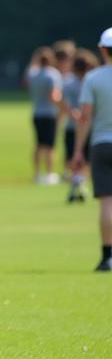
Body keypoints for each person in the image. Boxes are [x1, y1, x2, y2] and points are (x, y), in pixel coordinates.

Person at [72, 29, 112, 271]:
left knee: (107, 203)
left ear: (101, 49)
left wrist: (78, 150)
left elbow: (85, 116)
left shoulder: (93, 78)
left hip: (101, 144)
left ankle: (108, 256)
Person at [62, 50, 97, 203]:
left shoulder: (68, 82)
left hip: (72, 125)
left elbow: (63, 102)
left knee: (73, 158)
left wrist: (72, 113)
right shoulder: (92, 80)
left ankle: (76, 183)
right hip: (90, 126)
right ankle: (80, 182)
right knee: (86, 159)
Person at [25, 47, 62, 184]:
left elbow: (27, 76)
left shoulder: (33, 74)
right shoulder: (52, 74)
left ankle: (36, 173)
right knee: (50, 146)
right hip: (50, 113)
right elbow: (54, 95)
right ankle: (49, 173)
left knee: (39, 144)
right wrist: (64, 107)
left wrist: (35, 57)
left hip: (36, 113)